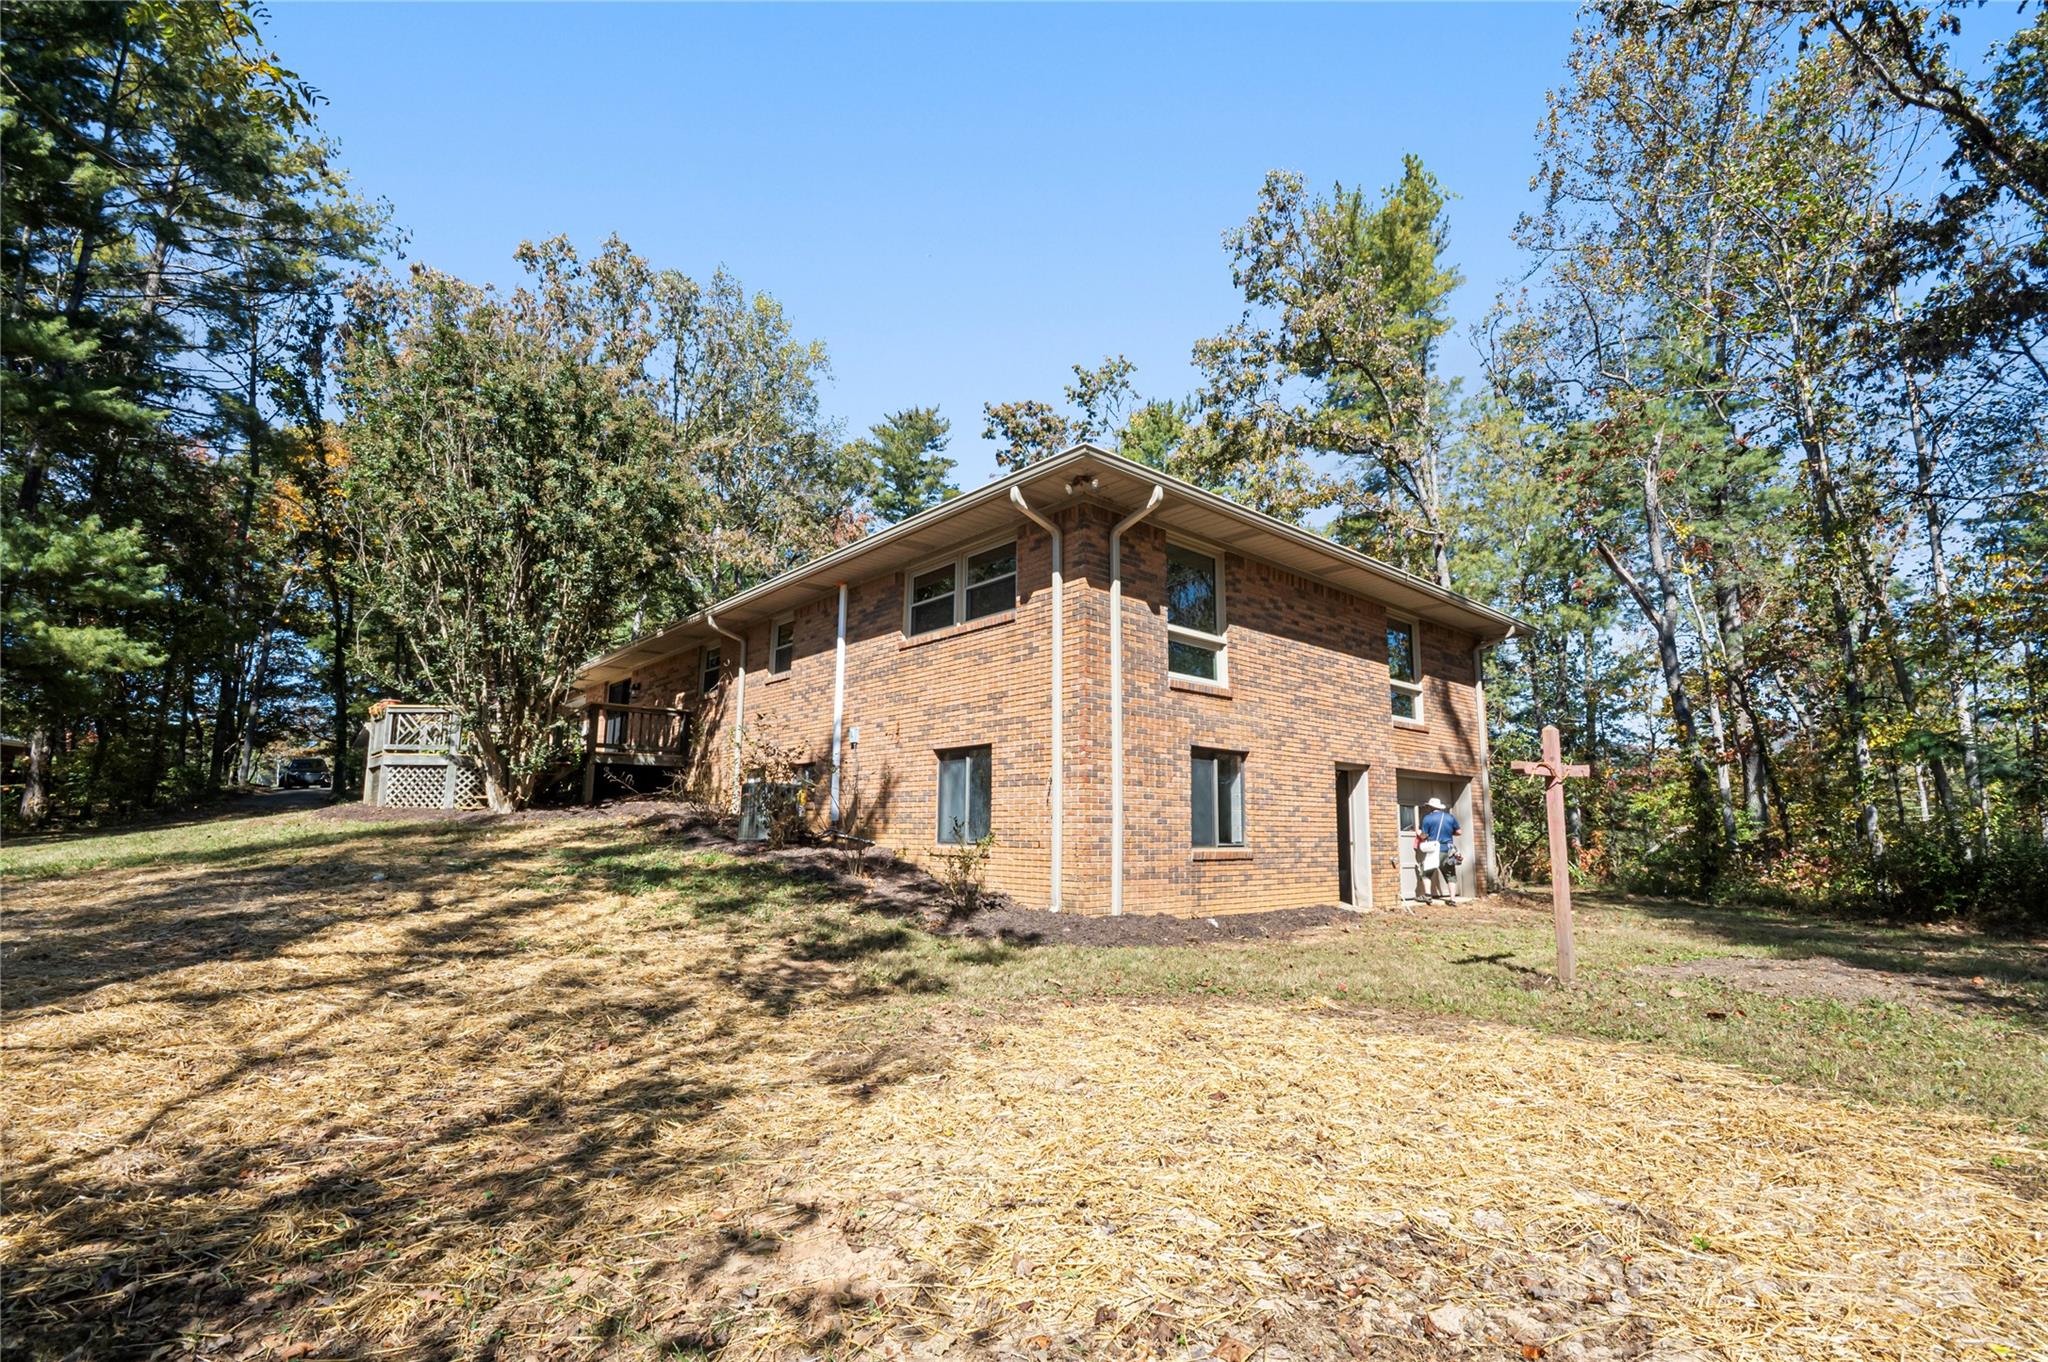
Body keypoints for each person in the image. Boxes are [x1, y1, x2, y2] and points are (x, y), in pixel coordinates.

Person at [1417, 796, 1461, 901]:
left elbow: (1424, 836)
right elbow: (1459, 832)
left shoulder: (1427, 818)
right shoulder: (1450, 817)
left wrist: (1418, 832)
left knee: (1426, 872)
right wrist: (1449, 833)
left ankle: (1427, 896)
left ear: (1430, 807)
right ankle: (1452, 899)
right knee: (1450, 875)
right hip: (1449, 850)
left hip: (1435, 850)